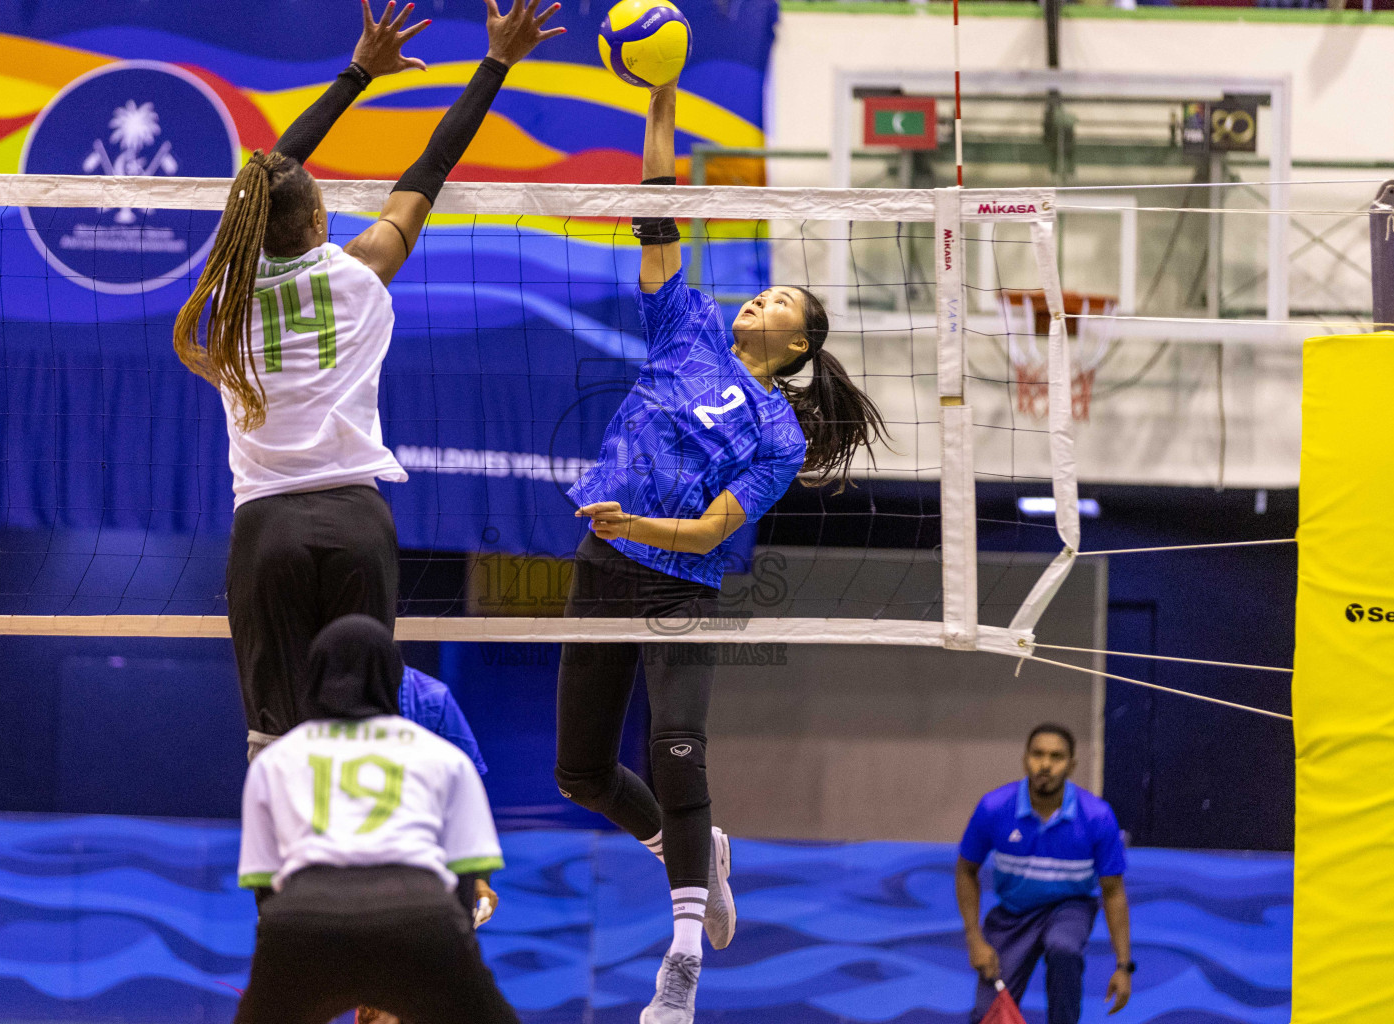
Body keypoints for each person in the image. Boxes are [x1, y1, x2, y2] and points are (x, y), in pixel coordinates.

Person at [552, 79, 890, 1024]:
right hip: (605, 569)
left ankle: (682, 963)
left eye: (780, 299)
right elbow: (656, 207)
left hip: (682, 586)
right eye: (763, 288)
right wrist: (660, 97)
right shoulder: (687, 325)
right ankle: (695, 851)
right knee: (577, 772)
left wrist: (635, 525)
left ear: (796, 345)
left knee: (676, 750)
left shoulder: (780, 435)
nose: (760, 297)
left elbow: (708, 533)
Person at [171, 0, 565, 762]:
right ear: (321, 222)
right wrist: (496, 64)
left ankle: (279, 884)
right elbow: (430, 170)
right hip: (356, 521)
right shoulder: (362, 271)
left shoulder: (229, 287)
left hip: (267, 530)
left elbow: (264, 180)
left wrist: (355, 74)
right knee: (362, 733)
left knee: (272, 743)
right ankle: (369, 876)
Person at [235, 615, 516, 1024]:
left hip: (306, 922)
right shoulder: (444, 757)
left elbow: (264, 880)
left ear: (312, 677)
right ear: (392, 678)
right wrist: (453, 956)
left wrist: (281, 961)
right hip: (418, 918)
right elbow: (466, 871)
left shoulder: (275, 760)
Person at [956, 724, 1134, 1023]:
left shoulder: (1097, 816)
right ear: (1025, 758)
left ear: (1071, 765)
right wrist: (975, 939)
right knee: (986, 1017)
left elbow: (1113, 892)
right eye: (1038, 754)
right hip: (1012, 915)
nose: (1046, 764)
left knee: (1063, 947)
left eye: (1057, 756)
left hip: (1069, 908)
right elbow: (966, 870)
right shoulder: (994, 807)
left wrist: (1123, 966)